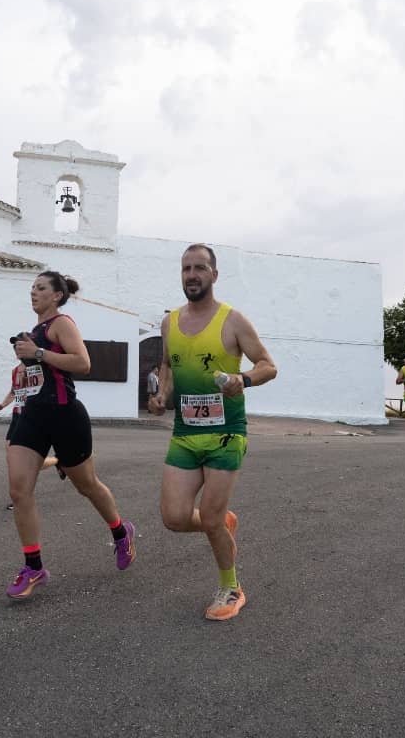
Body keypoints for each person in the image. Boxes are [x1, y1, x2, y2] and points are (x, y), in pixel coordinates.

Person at [148, 244, 277, 621]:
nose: (192, 274)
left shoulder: (232, 320)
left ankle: (231, 588)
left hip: (226, 434)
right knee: (174, 517)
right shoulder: (170, 322)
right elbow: (168, 368)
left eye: (200, 268)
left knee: (208, 517)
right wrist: (162, 395)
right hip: (184, 433)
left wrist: (243, 379)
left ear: (214, 275)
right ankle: (219, 520)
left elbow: (268, 365)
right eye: (186, 268)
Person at [4, 271, 136, 600]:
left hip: (65, 416)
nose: (33, 292)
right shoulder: (35, 331)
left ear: (57, 296)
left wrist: (38, 353)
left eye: (41, 288)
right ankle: (34, 567)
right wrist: (25, 364)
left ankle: (121, 531)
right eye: (32, 287)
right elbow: (38, 374)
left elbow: (83, 363)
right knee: (19, 491)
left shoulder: (61, 324)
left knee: (87, 486)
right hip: (33, 417)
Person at [0, 364, 64, 511]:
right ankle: (57, 461)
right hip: (18, 416)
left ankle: (22, 496)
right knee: (12, 457)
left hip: (32, 416)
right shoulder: (15, 371)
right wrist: (2, 405)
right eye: (15, 350)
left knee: (24, 462)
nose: (18, 352)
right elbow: (14, 391)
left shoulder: (38, 368)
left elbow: (46, 389)